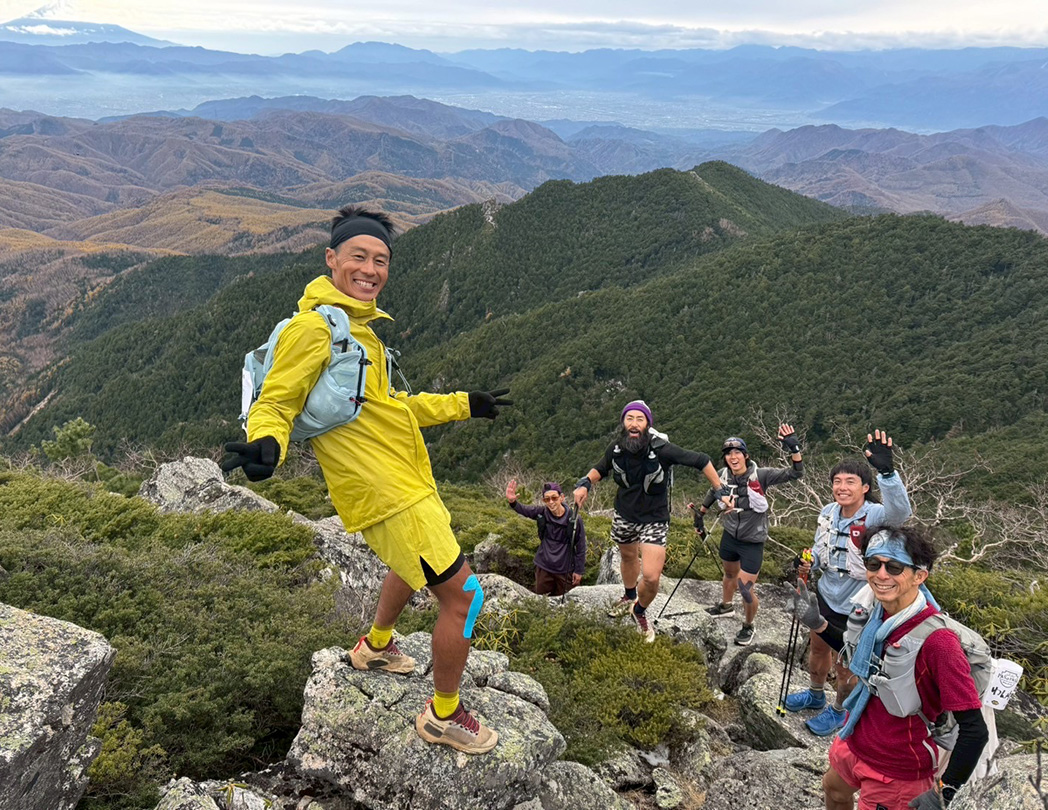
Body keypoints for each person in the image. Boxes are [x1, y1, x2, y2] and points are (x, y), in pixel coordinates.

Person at [221, 205, 512, 755]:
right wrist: (267, 445)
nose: (370, 269)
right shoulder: (314, 330)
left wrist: (462, 404)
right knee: (465, 599)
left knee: (411, 562)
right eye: (359, 256)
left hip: (405, 480)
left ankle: (375, 647)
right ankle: (443, 715)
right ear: (331, 259)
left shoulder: (355, 330)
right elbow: (276, 402)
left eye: (381, 260)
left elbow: (389, 407)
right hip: (386, 491)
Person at [797, 525, 989, 810]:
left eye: (895, 567)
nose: (881, 574)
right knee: (834, 790)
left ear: (919, 576)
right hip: (855, 736)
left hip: (898, 768)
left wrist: (943, 792)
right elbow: (858, 655)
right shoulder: (876, 614)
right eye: (873, 564)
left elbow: (975, 731)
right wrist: (819, 625)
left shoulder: (939, 643)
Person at [782, 429, 912, 736]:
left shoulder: (876, 515)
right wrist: (810, 561)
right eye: (837, 481)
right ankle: (815, 693)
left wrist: (888, 474)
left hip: (858, 604)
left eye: (850, 481)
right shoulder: (828, 512)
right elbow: (821, 548)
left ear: (865, 487)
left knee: (846, 664)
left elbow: (901, 514)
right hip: (827, 594)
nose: (842, 487)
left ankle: (840, 710)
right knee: (817, 648)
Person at [573, 400, 725, 643]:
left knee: (652, 577)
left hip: (654, 519)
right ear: (623, 422)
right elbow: (601, 468)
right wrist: (585, 484)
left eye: (639, 419)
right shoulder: (617, 448)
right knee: (628, 557)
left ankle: (639, 610)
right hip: (624, 514)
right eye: (629, 418)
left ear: (647, 424)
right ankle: (629, 595)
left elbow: (701, 460)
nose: (634, 424)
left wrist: (719, 490)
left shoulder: (661, 449)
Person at [697, 425, 804, 646]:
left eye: (737, 452)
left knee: (745, 588)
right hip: (730, 535)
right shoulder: (722, 475)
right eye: (728, 453)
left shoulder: (760, 475)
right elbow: (713, 490)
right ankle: (726, 606)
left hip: (752, 541)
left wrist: (794, 448)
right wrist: (701, 513)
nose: (733, 457)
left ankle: (748, 625)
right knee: (729, 574)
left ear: (745, 455)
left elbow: (795, 473)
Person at [505, 480, 587, 596]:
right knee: (541, 601)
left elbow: (581, 547)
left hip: (565, 569)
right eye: (547, 499)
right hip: (544, 568)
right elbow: (525, 510)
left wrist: (578, 571)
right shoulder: (542, 512)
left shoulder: (574, 520)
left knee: (567, 602)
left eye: (554, 498)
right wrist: (513, 502)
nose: (551, 502)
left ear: (562, 498)